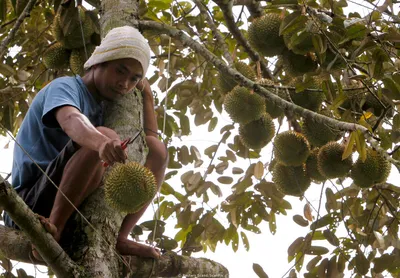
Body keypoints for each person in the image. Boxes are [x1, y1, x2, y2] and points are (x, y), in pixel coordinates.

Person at [3, 26, 167, 260]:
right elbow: (72, 119)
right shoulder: (65, 86)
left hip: (71, 199)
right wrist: (101, 142)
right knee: (105, 134)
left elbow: (150, 140)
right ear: (99, 62)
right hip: (28, 204)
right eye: (120, 71)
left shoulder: (105, 107)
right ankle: (52, 232)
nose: (125, 84)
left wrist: (148, 98)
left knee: (158, 151)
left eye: (134, 79)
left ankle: (120, 236)